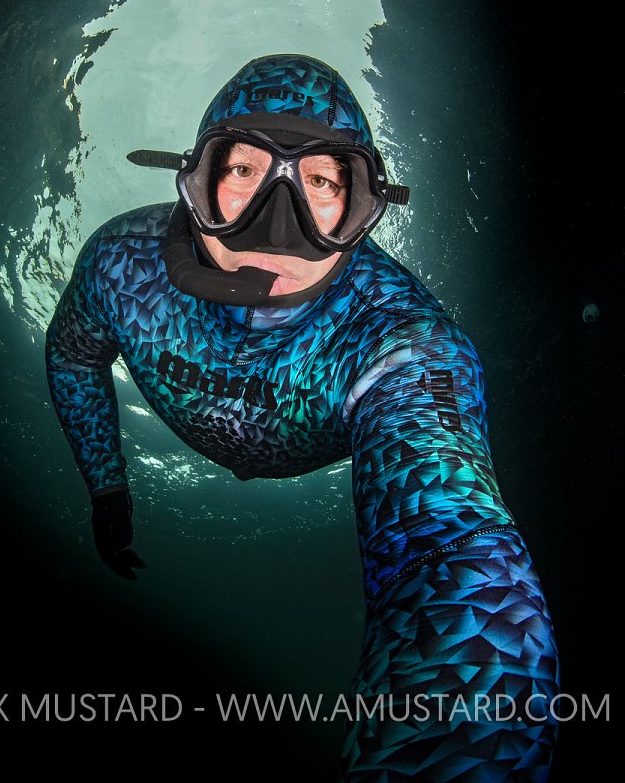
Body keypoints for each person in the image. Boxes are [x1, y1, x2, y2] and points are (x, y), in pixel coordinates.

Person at [46, 53, 559, 779]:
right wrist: (106, 485)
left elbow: (452, 559)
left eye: (322, 182)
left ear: (365, 206)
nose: (274, 227)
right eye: (243, 170)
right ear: (194, 179)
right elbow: (73, 355)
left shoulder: (399, 340)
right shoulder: (120, 266)